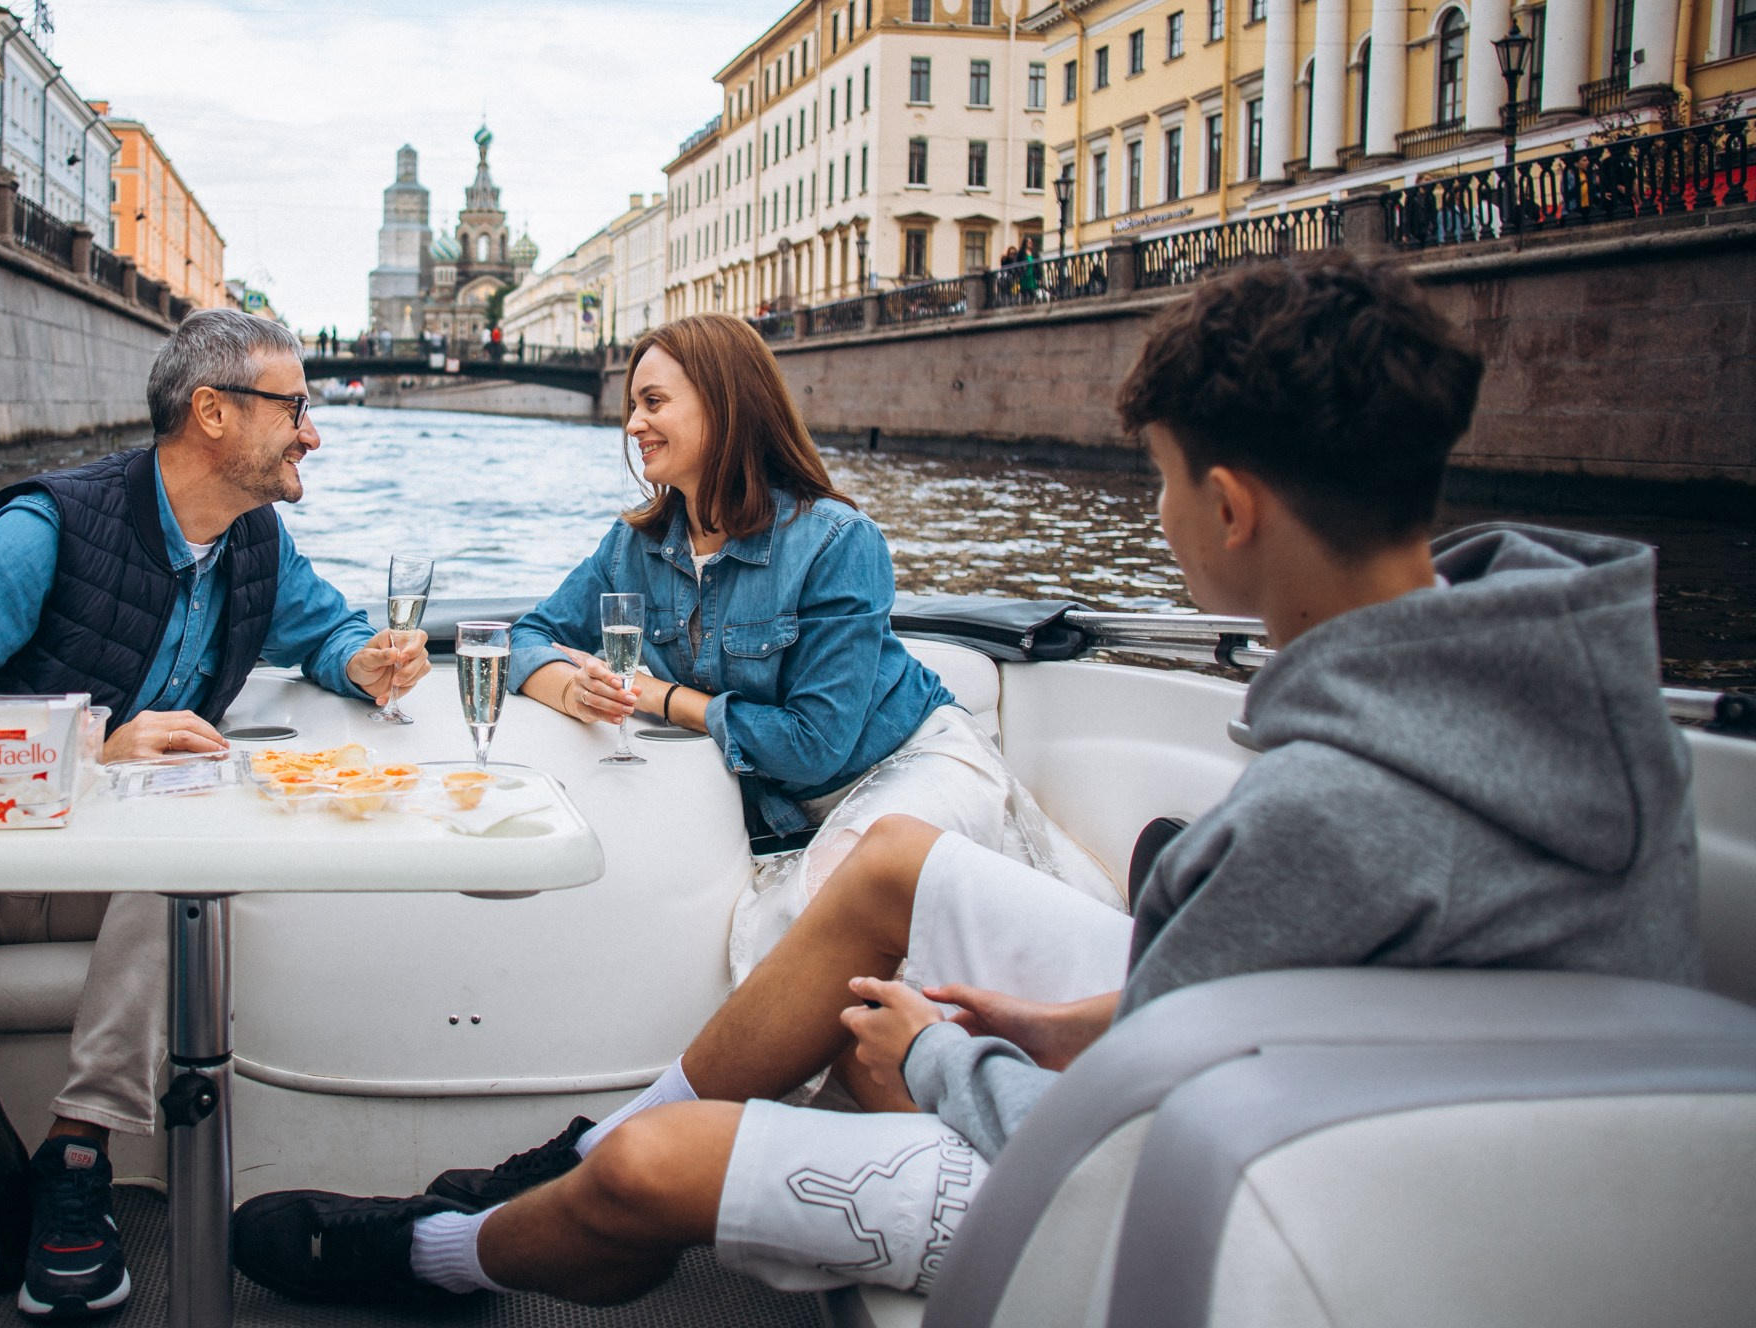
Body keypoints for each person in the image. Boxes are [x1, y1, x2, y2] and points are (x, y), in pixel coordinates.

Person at [229, 257, 1701, 1306]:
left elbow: (1136, 1124)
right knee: (882, 874)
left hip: (1244, 1211)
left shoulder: (1326, 808)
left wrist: (937, 1057)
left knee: (654, 1175)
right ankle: (573, 1153)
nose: (1161, 516)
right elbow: (1287, 1003)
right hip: (1385, 1121)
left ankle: (448, 1251)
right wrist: (1062, 1021)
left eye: (1162, 482)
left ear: (1230, 507)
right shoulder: (1550, 687)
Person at [0, 308, 425, 1319]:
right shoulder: (52, 526)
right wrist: (87, 745)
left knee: (192, 807)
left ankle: (78, 1158)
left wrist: (366, 661)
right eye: (294, 408)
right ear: (213, 412)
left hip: (104, 884)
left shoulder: (255, 543)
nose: (312, 432)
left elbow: (325, 631)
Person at [506, 312, 1112, 976]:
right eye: (633, 406)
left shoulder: (836, 540)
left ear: (725, 405)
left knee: (801, 928)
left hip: (907, 766)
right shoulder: (633, 547)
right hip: (789, 810)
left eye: (653, 403)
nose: (632, 425)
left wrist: (661, 697)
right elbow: (528, 637)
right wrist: (575, 690)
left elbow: (815, 744)